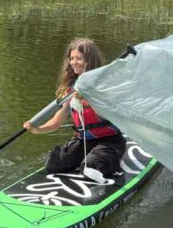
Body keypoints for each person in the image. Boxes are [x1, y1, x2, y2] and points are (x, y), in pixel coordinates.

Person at [23, 38, 126, 181]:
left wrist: (88, 97)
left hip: (110, 141)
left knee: (91, 166)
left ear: (89, 60)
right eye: (71, 58)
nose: (73, 62)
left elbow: (105, 115)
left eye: (78, 58)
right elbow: (57, 121)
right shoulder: (71, 88)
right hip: (84, 140)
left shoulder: (102, 86)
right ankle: (89, 158)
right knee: (53, 163)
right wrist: (38, 129)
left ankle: (109, 163)